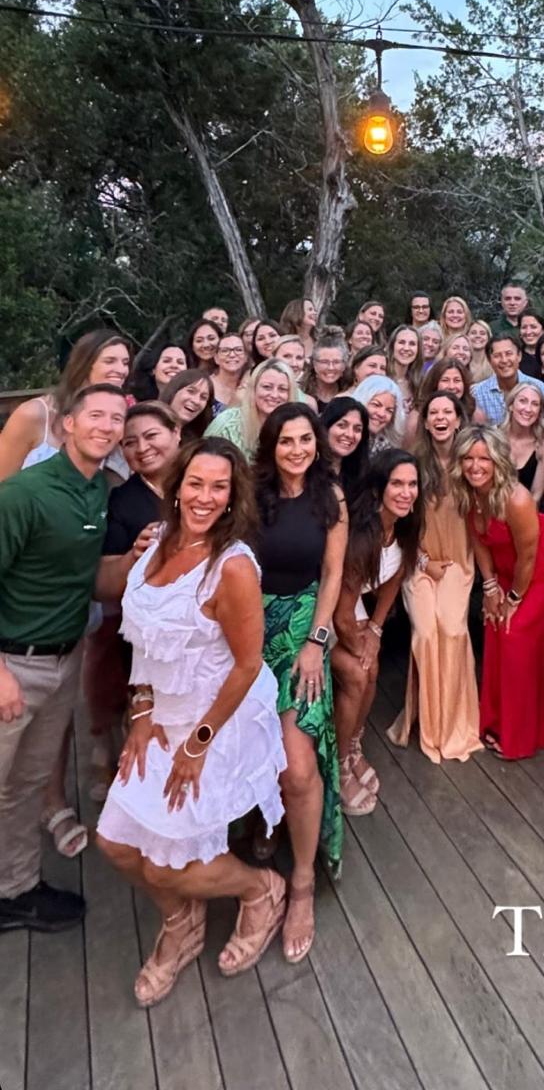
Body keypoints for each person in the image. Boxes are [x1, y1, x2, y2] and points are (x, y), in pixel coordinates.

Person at [95, 440, 286, 1003]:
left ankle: (260, 889)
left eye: (219, 487)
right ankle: (182, 921)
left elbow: (247, 665)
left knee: (163, 866)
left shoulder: (232, 567)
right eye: (196, 483)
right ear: (176, 486)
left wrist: (198, 743)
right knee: (114, 842)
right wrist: (141, 711)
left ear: (233, 496)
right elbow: (142, 640)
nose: (205, 497)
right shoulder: (156, 543)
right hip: (160, 713)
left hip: (219, 720)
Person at [0, 384, 127, 933]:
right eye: (95, 415)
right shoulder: (23, 493)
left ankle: (15, 889)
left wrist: (137, 558)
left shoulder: (97, 489)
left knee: (26, 783)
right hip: (13, 663)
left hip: (63, 659)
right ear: (67, 424)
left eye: (116, 418)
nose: (106, 426)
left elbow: (91, 577)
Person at [255, 405, 347, 953]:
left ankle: (304, 880)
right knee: (250, 744)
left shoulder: (329, 496)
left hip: (302, 627)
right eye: (286, 440)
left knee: (297, 765)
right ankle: (264, 825)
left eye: (305, 439)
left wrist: (317, 641)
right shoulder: (252, 494)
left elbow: (332, 573)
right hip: (248, 624)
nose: (297, 449)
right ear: (271, 446)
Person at [451, 426, 544, 760]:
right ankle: (498, 719)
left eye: (484, 459)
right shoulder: (467, 492)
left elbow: (529, 557)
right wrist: (490, 587)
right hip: (508, 570)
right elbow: (479, 539)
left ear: (498, 461)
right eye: (468, 458)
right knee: (493, 624)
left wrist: (513, 600)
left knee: (515, 632)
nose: (475, 466)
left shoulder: (516, 499)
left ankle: (522, 732)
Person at [85, 403, 183, 802]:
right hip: (149, 643)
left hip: (211, 633)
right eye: (129, 442)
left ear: (176, 433)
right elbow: (102, 584)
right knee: (155, 734)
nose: (142, 448)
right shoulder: (123, 501)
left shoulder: (208, 478)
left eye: (151, 436)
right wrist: (133, 557)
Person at [388, 394, 482, 763]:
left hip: (458, 561)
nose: (441, 418)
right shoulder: (413, 463)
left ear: (458, 419)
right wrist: (424, 562)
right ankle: (427, 723)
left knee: (453, 629)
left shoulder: (471, 462)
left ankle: (454, 725)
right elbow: (402, 522)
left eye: (448, 412)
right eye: (433, 413)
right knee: (426, 633)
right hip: (420, 560)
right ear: (425, 422)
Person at [331, 451, 422, 814]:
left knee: (372, 668)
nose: (406, 492)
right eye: (397, 484)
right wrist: (360, 648)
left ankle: (353, 744)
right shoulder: (361, 537)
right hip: (322, 612)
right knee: (358, 673)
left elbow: (393, 581)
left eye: (412, 484)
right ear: (379, 489)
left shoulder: (405, 527)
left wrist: (375, 630)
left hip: (351, 610)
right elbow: (340, 615)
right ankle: (338, 764)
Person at [0, 330, 131, 480]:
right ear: (85, 364)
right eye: (110, 361)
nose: (121, 370)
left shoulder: (115, 421)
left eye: (125, 363)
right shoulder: (34, 414)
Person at [204, 359, 298, 458]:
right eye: (267, 387)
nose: (274, 395)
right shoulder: (226, 425)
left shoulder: (297, 425)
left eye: (282, 389)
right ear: (254, 388)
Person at [472, 333, 544, 427]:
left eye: (508, 354)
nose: (504, 360)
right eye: (497, 355)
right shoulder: (479, 393)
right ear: (489, 360)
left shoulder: (539, 388)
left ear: (519, 356)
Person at [500, 382, 544, 502]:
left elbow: (536, 494)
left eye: (535, 404)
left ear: (540, 412)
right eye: (522, 401)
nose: (528, 409)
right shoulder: (493, 436)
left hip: (526, 508)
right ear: (511, 405)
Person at [321, 397, 370, 496]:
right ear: (326, 427)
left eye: (357, 429)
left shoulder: (362, 474)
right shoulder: (308, 470)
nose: (350, 434)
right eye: (342, 425)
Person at [351, 376, 406, 451]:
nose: (381, 414)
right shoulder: (342, 437)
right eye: (376, 405)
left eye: (389, 410)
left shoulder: (388, 448)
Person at [158, 369, 216, 441]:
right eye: (191, 391)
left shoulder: (197, 443)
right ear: (174, 391)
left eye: (203, 397)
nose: (196, 401)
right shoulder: (148, 421)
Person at [385, 325, 423, 411]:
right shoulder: (380, 376)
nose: (406, 348)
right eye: (401, 342)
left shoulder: (419, 383)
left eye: (412, 344)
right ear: (392, 346)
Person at [305, 337, 349, 410]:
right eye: (324, 362)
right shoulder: (301, 393)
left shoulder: (351, 394)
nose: (330, 368)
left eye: (336, 362)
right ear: (314, 364)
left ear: (344, 365)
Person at [211, 332, 248, 414]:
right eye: (225, 351)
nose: (232, 355)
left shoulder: (251, 386)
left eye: (238, 350)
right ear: (216, 358)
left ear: (246, 357)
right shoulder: (206, 385)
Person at [515, 308, 544, 380]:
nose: (528, 332)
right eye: (524, 327)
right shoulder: (516, 358)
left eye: (533, 327)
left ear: (543, 329)